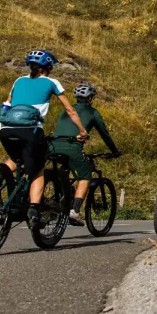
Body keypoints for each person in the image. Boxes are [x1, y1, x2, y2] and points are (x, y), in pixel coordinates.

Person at [0, 50, 87, 228]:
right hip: (30, 130)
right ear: (47, 67)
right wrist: (82, 131)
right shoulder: (51, 82)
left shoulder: (19, 80)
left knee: (15, 159)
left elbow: (6, 104)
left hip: (6, 129)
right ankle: (33, 210)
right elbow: (70, 110)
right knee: (38, 169)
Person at [51, 82, 121, 225]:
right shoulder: (93, 113)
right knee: (85, 176)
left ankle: (63, 194)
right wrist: (114, 151)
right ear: (90, 98)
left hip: (53, 145)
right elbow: (105, 134)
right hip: (72, 147)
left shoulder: (66, 110)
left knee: (64, 170)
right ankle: (74, 211)